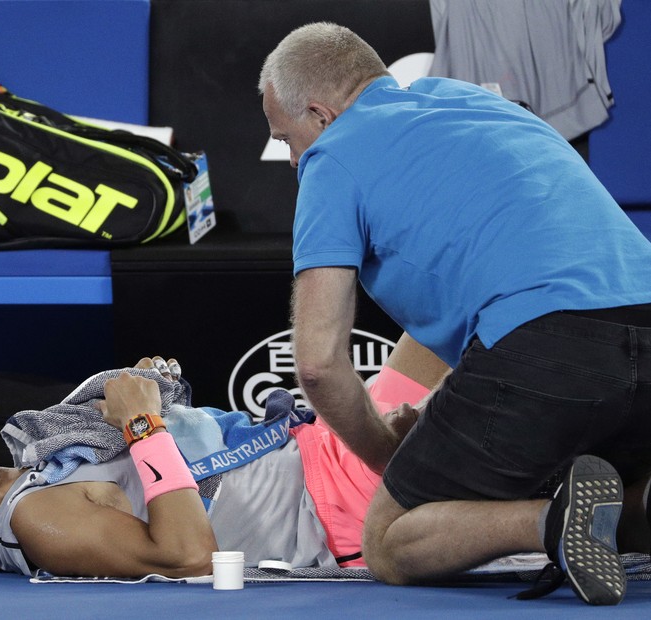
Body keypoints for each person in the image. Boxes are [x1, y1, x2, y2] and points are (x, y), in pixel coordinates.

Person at [258, 21, 651, 606]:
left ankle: (554, 521)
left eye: (286, 140)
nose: (293, 161)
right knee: (628, 490)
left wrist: (392, 459)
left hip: (547, 344)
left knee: (389, 540)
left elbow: (317, 363)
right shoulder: (481, 104)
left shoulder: (333, 155)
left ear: (320, 115)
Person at [0, 355, 433, 578]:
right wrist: (140, 424)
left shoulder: (42, 472)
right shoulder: (39, 520)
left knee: (451, 308)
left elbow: (185, 471)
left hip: (323, 446)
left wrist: (157, 401)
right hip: (338, 499)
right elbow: (186, 555)